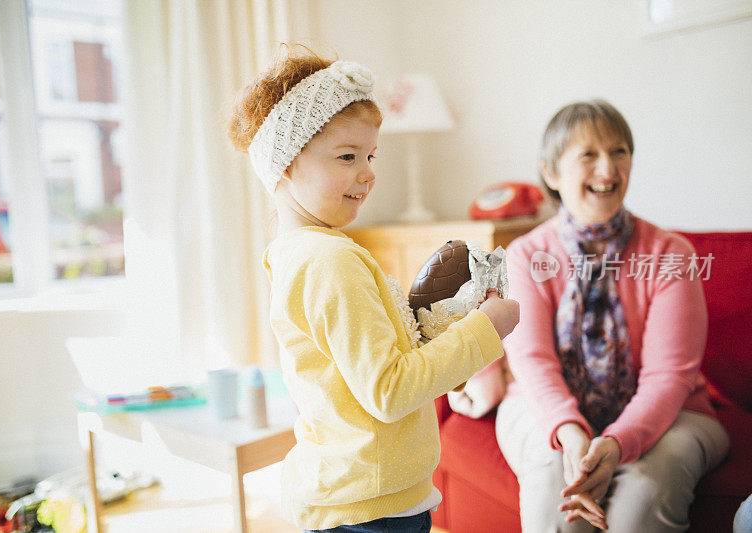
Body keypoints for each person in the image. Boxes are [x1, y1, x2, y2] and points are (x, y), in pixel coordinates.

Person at [227, 44, 520, 533]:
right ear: (284, 166)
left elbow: (372, 375)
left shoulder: (299, 253)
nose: (368, 173)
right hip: (368, 510)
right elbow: (388, 391)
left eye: (370, 155)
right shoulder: (330, 260)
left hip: (363, 496)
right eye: (347, 156)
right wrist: (485, 332)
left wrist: (444, 335)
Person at [495, 99, 730, 532]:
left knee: (645, 493)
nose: (608, 169)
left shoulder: (670, 254)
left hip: (673, 414)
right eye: (589, 154)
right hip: (542, 407)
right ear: (550, 172)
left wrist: (618, 443)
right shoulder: (525, 255)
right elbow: (531, 361)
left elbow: (670, 376)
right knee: (554, 482)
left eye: (619, 151)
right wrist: (570, 432)